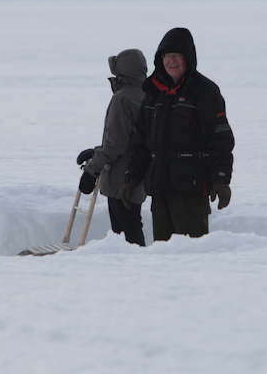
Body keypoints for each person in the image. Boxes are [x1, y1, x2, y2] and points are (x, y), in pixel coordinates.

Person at [120, 27, 234, 241]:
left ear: (188, 58)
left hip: (191, 190)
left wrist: (221, 178)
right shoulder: (154, 93)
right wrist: (132, 177)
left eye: (177, 55)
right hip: (160, 190)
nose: (171, 61)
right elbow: (140, 141)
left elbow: (220, 139)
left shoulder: (205, 91)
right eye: (166, 56)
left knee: (192, 255)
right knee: (163, 256)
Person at [76, 49, 148, 246]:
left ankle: (134, 269)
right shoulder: (145, 95)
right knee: (132, 226)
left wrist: (92, 171)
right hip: (137, 176)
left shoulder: (122, 98)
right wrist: (96, 151)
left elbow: (115, 144)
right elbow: (130, 138)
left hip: (119, 179)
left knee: (126, 234)